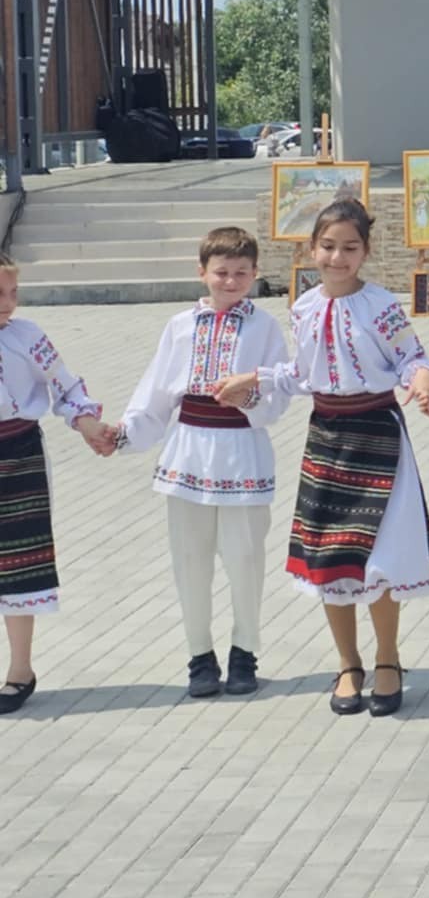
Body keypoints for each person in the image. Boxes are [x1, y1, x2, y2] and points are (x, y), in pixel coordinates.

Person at [216, 199, 429, 717]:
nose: (337, 257)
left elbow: (413, 357)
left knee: (379, 556)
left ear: (366, 251)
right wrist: (252, 379)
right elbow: (300, 375)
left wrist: (422, 379)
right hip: (326, 434)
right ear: (311, 249)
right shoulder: (303, 306)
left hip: (377, 432)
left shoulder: (381, 305)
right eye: (328, 246)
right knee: (330, 555)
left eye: (350, 247)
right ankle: (348, 664)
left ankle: (388, 659)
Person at [109, 227, 287, 699]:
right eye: (221, 272)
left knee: (245, 558)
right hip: (189, 451)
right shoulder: (180, 326)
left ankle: (244, 651)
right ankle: (199, 655)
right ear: (202, 271)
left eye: (241, 273)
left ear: (255, 273)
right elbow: (157, 393)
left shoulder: (265, 327)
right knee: (190, 560)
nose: (231, 281)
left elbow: (277, 394)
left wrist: (248, 397)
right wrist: (122, 435)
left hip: (242, 450)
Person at [0, 254, 109, 714]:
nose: (8, 303)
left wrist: (85, 421)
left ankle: (19, 670)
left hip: (17, 455)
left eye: (13, 293)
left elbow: (65, 385)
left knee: (17, 564)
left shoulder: (27, 336)